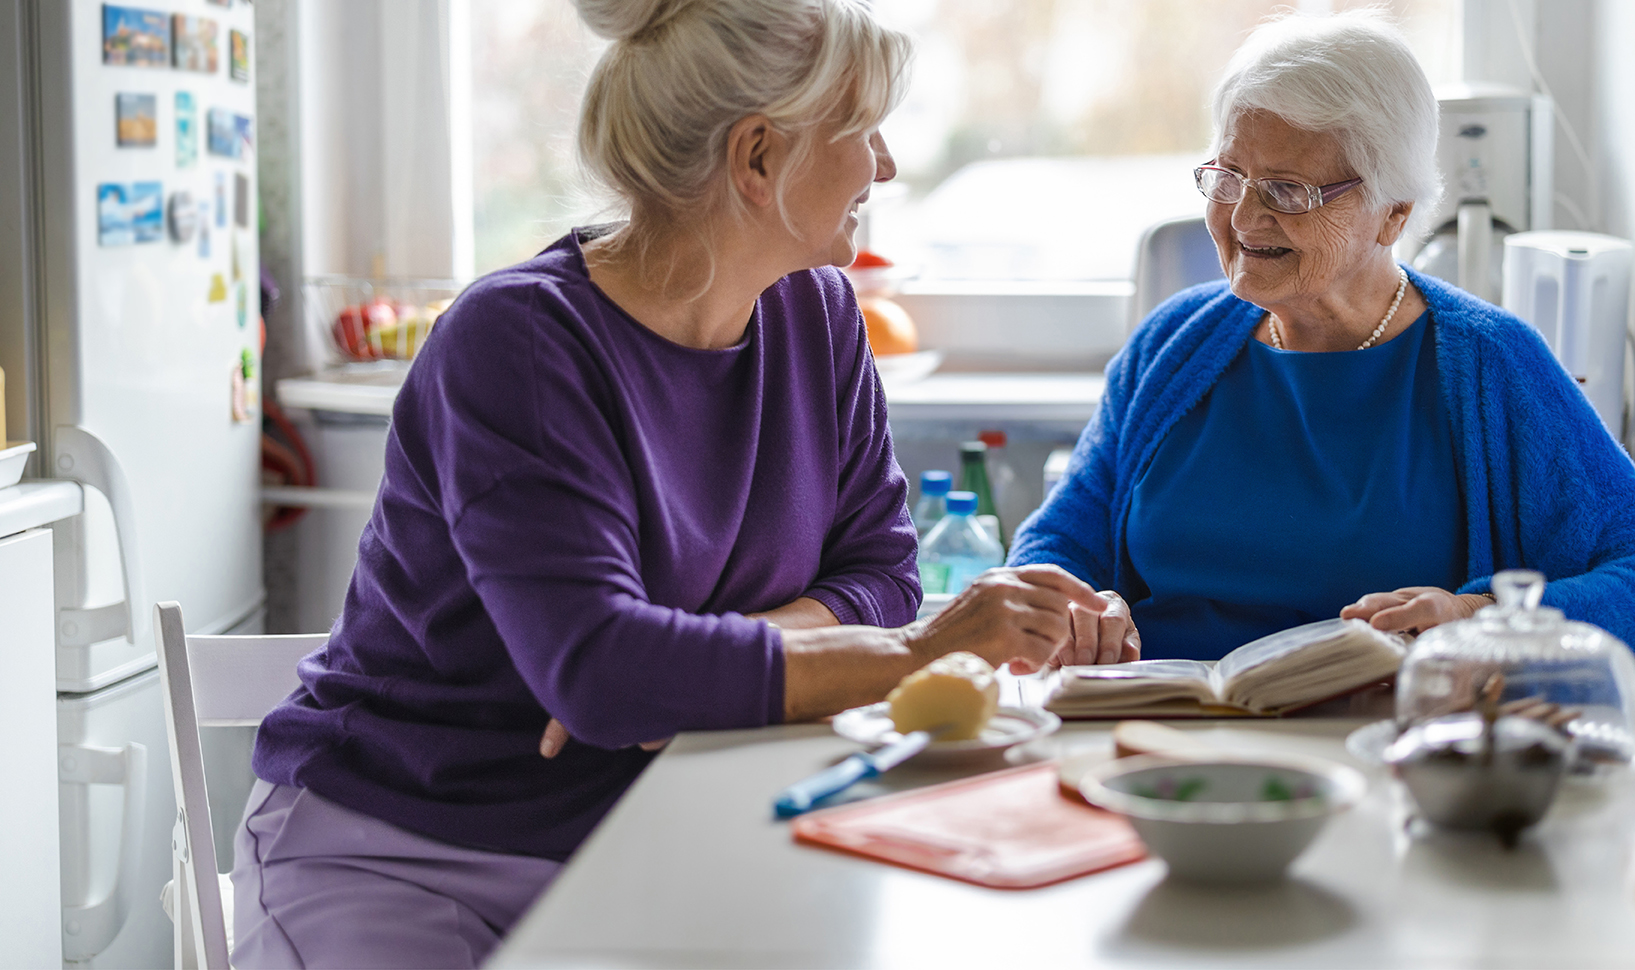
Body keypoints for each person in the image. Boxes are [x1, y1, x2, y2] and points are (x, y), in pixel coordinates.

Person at [231, 2, 1122, 965]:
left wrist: (679, 672)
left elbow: (878, 575)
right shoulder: (519, 342)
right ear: (757, 159)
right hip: (405, 849)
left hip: (647, 833)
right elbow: (614, 675)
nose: (887, 166)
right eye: (861, 130)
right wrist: (916, 651)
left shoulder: (818, 318)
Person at [1008, 10, 1635, 663]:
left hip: (1382, 757)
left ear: (1391, 214)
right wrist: (1078, 606)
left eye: (1286, 190)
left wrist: (1483, 620)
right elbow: (1058, 543)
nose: (1243, 217)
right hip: (1156, 740)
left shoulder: (1491, 364)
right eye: (1228, 177)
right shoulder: (1172, 344)